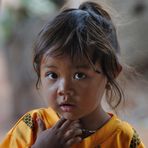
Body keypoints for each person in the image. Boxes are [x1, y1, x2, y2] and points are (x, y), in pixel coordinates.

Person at [0, 1, 145, 148]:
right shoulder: (32, 127)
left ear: (112, 72)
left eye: (79, 75)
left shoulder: (124, 140)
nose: (63, 88)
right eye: (52, 75)